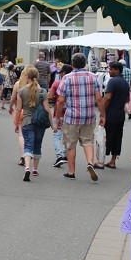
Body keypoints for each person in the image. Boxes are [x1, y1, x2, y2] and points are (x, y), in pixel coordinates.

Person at [55, 53, 104, 181]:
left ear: (72, 64)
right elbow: (99, 98)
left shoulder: (67, 78)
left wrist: (58, 117)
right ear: (84, 64)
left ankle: (71, 172)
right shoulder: (94, 77)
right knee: (88, 142)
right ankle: (89, 162)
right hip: (89, 116)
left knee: (71, 144)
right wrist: (103, 115)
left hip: (72, 117)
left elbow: (60, 100)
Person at [16, 66, 50, 182]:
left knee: (28, 145)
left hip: (26, 121)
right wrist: (53, 124)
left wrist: (16, 124)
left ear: (27, 77)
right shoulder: (43, 92)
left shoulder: (21, 91)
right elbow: (47, 110)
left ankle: (27, 167)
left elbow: (18, 109)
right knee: (37, 145)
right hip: (40, 123)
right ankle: (35, 169)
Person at [100, 60, 130, 169]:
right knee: (117, 138)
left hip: (111, 114)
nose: (109, 71)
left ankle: (101, 161)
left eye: (111, 69)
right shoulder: (125, 83)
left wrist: (102, 112)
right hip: (120, 114)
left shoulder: (112, 82)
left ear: (117, 70)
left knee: (106, 138)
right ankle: (112, 161)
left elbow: (107, 97)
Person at [49, 64, 73, 168]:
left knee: (57, 135)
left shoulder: (57, 83)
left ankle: (59, 156)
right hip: (70, 113)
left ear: (63, 73)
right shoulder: (74, 83)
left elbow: (50, 97)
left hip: (58, 112)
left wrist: (55, 97)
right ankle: (65, 155)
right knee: (67, 135)